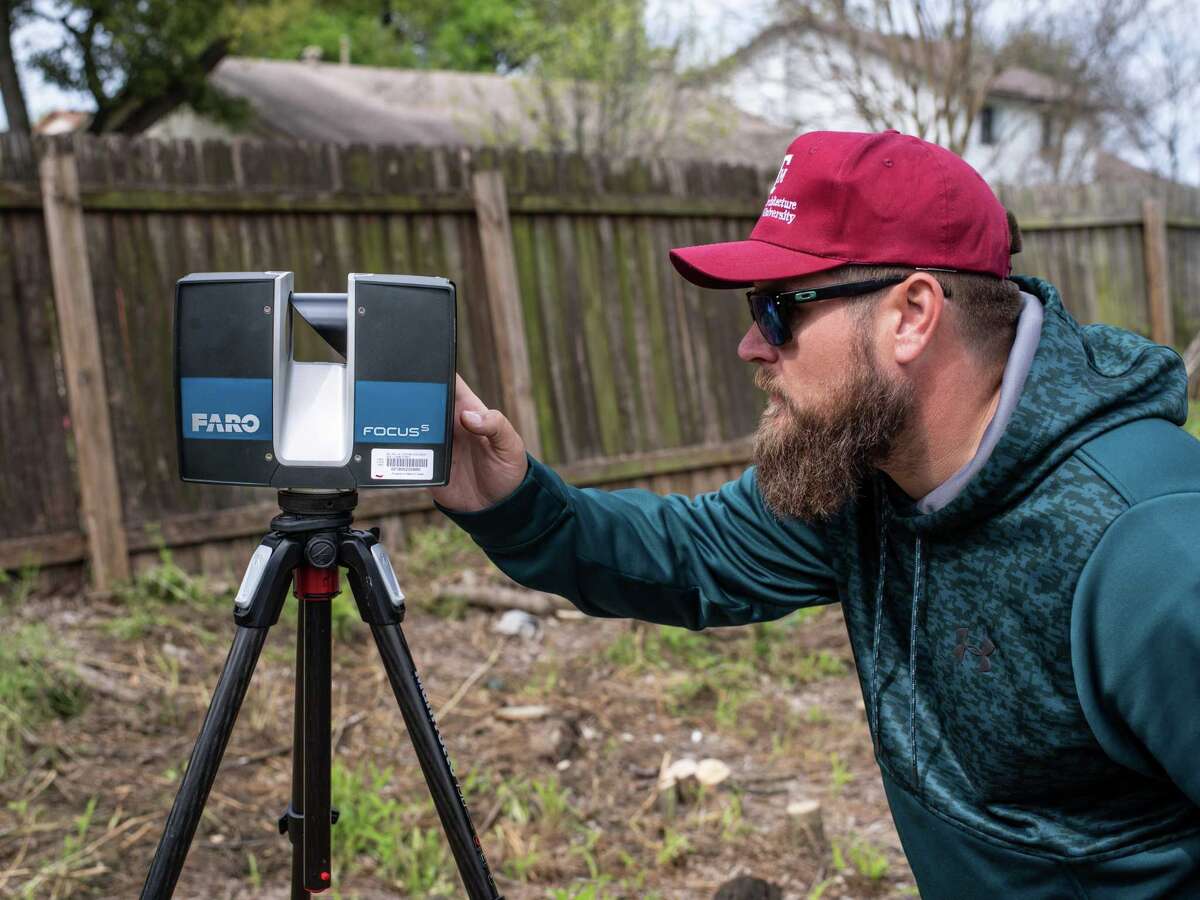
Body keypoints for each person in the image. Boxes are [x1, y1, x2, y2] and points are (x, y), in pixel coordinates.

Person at [430, 130, 1200, 897]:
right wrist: (512, 498)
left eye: (776, 310)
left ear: (912, 314)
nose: (750, 346)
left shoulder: (1151, 550)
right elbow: (694, 554)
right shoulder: (867, 472)